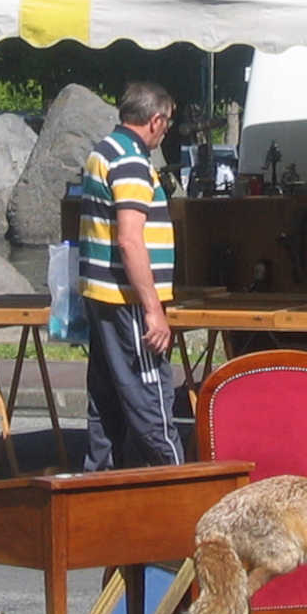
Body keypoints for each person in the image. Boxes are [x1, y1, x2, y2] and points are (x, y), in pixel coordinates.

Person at [79, 81, 183, 469]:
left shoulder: (104, 150)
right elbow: (130, 239)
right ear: (155, 120)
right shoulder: (132, 162)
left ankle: (100, 484)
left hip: (102, 295)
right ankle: (177, 482)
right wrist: (153, 308)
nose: (166, 131)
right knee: (149, 398)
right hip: (127, 299)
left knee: (106, 402)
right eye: (167, 122)